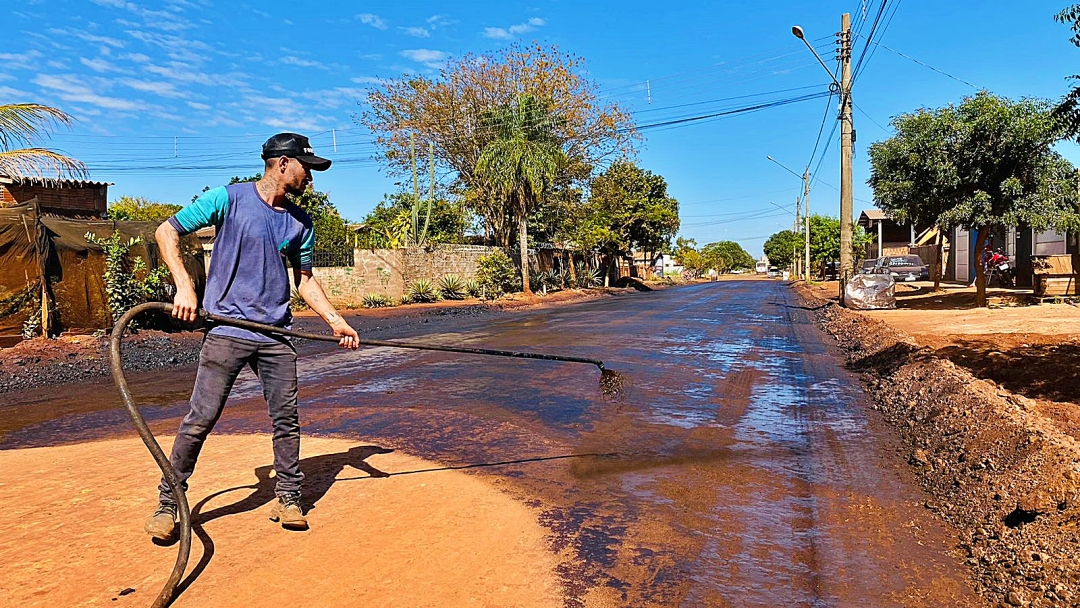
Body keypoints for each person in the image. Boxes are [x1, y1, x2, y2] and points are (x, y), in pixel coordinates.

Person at [145, 132, 359, 539]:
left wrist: (336, 321)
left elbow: (305, 280)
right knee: (199, 420)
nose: (310, 178)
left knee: (286, 420)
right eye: (306, 169)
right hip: (226, 330)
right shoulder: (227, 199)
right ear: (282, 164)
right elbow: (166, 232)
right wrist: (185, 286)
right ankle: (169, 504)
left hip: (275, 335)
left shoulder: (301, 222)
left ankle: (289, 498)